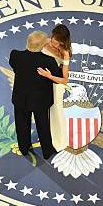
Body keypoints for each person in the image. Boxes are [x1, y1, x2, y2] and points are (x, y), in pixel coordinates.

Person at [9, 31, 61, 159]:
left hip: (21, 99)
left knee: (21, 125)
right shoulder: (49, 61)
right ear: (44, 45)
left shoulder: (15, 55)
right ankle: (47, 151)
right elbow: (58, 76)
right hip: (41, 101)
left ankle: (24, 148)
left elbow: (14, 65)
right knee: (43, 126)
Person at [36, 24, 71, 152]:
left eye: (57, 43)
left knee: (56, 111)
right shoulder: (45, 43)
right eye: (53, 41)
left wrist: (48, 76)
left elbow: (65, 80)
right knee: (44, 111)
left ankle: (59, 141)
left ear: (63, 42)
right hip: (42, 82)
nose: (54, 45)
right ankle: (46, 136)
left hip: (55, 85)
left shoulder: (65, 54)